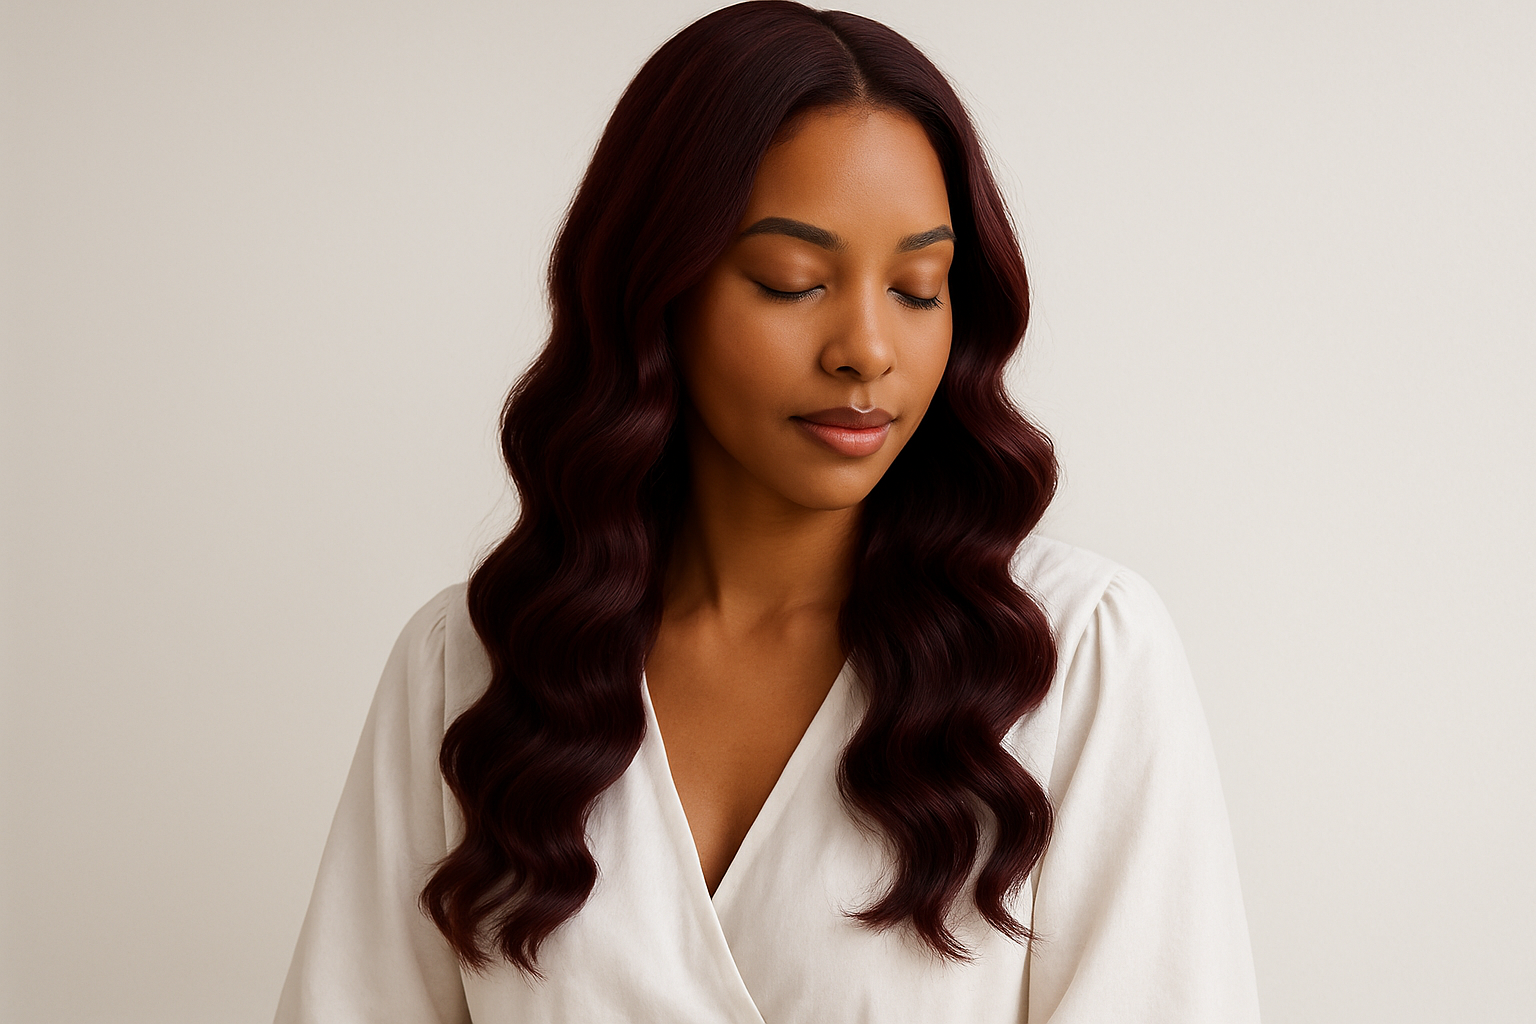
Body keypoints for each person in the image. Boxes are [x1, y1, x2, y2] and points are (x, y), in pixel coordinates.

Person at [275, 3, 1260, 1021]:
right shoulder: (469, 668)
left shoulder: (1079, 655)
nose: (867, 349)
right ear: (655, 291)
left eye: (920, 287)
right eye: (794, 281)